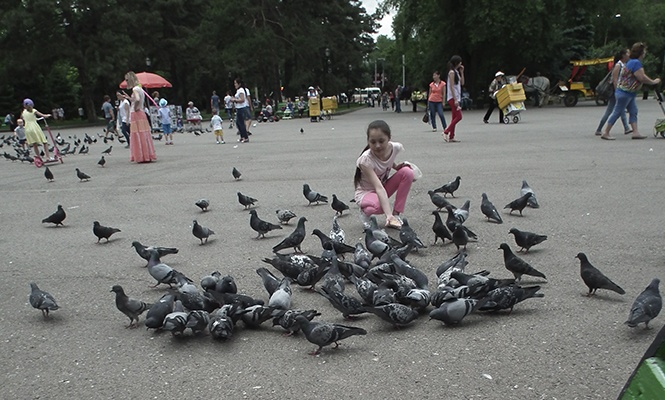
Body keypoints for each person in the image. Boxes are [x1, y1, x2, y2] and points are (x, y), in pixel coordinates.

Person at [353, 120, 414, 230]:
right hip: (366, 193)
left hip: (382, 188)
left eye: (381, 141)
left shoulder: (395, 148)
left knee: (408, 172)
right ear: (368, 141)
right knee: (380, 206)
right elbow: (378, 187)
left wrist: (397, 166)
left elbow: (386, 163)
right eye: (373, 142)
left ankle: (396, 214)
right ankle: (365, 212)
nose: (377, 146)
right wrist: (388, 215)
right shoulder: (365, 160)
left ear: (389, 138)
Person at [602, 42, 661, 140]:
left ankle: (635, 132)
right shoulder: (635, 63)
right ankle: (606, 132)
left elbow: (641, 75)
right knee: (617, 112)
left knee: (633, 110)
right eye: (644, 51)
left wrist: (651, 81)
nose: (645, 53)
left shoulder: (631, 62)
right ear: (641, 53)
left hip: (627, 93)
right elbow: (641, 77)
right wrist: (653, 82)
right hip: (625, 93)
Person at [594, 49, 631, 136]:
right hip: (615, 92)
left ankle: (626, 128)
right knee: (610, 111)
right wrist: (618, 92)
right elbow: (615, 80)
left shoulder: (623, 65)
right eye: (628, 53)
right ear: (623, 55)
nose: (629, 54)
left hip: (618, 91)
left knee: (620, 109)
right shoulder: (618, 65)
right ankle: (599, 129)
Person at [125, 71, 156, 163]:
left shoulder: (135, 89)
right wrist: (130, 99)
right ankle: (147, 154)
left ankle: (140, 155)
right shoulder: (140, 88)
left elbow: (137, 99)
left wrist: (135, 107)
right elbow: (138, 99)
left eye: (127, 80)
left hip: (136, 113)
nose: (126, 82)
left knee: (136, 134)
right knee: (144, 134)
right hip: (142, 112)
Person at [443, 55, 465, 142]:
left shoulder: (456, 72)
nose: (461, 64)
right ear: (457, 63)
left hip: (457, 97)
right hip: (453, 97)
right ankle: (446, 131)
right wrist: (455, 99)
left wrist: (462, 72)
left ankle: (452, 136)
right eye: (460, 62)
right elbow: (451, 86)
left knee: (454, 117)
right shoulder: (451, 72)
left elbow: (462, 83)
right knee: (459, 116)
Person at [232, 77, 250, 143]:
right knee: (238, 123)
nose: (235, 85)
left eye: (235, 83)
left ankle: (245, 137)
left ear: (239, 84)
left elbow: (242, 100)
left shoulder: (241, 90)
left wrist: (234, 100)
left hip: (242, 108)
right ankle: (242, 136)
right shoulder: (238, 90)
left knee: (241, 123)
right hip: (239, 108)